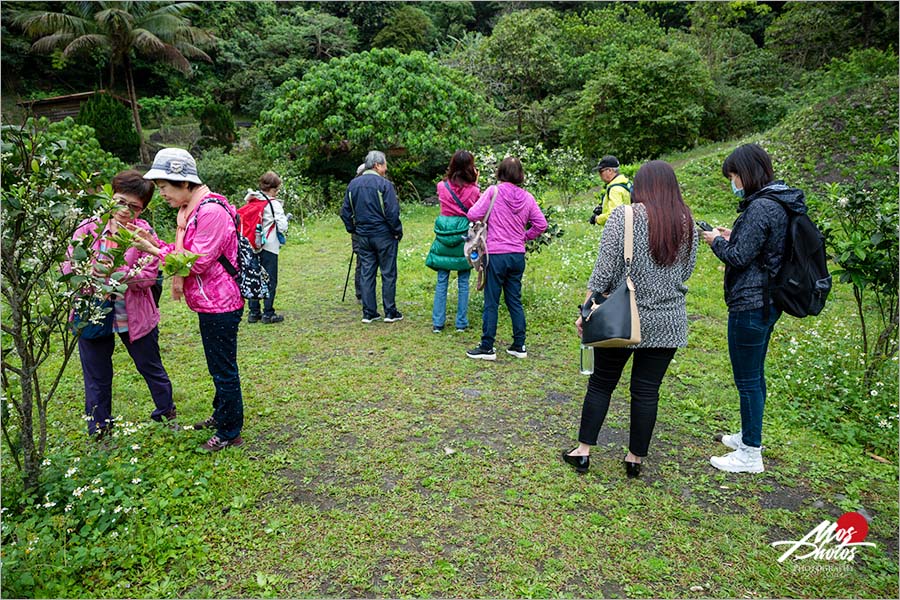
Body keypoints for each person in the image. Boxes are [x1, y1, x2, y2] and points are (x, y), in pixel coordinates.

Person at [563, 160, 697, 477]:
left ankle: (582, 452)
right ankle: (634, 460)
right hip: (668, 320)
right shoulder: (687, 221)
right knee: (647, 390)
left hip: (622, 316)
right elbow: (686, 270)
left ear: (642, 186)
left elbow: (604, 271)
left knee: (601, 384)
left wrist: (586, 310)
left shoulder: (624, 217)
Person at [130, 148, 245, 452]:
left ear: (183, 182)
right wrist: (157, 244)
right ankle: (222, 415)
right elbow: (188, 251)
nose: (162, 194)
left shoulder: (209, 212)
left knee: (222, 368)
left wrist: (154, 250)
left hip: (221, 303)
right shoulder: (191, 211)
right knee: (218, 365)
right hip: (211, 301)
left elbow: (195, 262)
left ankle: (230, 430)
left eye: (165, 187)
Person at [700, 143, 799, 474]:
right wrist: (733, 235)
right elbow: (760, 247)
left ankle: (750, 453)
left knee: (747, 379)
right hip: (768, 301)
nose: (734, 181)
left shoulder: (760, 208)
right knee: (755, 375)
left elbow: (738, 257)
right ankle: (749, 435)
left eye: (734, 175)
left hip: (751, 303)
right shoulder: (777, 202)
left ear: (747, 172)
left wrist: (716, 241)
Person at [64, 170, 176, 439]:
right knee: (96, 377)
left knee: (151, 367)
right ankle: (100, 429)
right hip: (92, 311)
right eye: (120, 202)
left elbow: (150, 274)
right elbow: (69, 266)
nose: (125, 210)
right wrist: (95, 274)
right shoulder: (88, 227)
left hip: (134, 314)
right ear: (110, 197)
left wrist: (114, 274)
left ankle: (165, 412)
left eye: (134, 206)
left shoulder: (144, 232)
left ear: (143, 208)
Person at [465, 156, 547, 361]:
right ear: (520, 175)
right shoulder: (527, 197)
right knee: (514, 300)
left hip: (497, 254)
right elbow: (541, 224)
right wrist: (524, 237)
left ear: (500, 172)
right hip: (517, 255)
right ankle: (519, 345)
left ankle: (487, 347)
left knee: (491, 301)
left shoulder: (494, 191)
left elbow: (472, 213)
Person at [340, 151, 403, 323]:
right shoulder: (384, 184)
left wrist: (353, 229)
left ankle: (369, 312)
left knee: (367, 272)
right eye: (384, 165)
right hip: (384, 234)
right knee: (388, 272)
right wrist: (397, 230)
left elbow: (345, 212)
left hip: (363, 235)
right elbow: (392, 212)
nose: (386, 168)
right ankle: (390, 312)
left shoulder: (353, 185)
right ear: (377, 165)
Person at [426, 150, 480, 333]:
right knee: (463, 280)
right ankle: (461, 323)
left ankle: (438, 323)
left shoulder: (442, 186)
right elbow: (476, 209)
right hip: (463, 235)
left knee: (442, 279)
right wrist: (476, 181)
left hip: (444, 233)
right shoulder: (474, 190)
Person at [244, 171, 289, 324]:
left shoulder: (252, 200)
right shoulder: (274, 204)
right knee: (269, 279)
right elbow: (282, 226)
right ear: (274, 188)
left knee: (254, 277)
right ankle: (268, 313)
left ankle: (253, 312)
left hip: (251, 245)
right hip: (269, 246)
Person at [590, 155, 631, 228]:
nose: (599, 175)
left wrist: (597, 219)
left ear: (610, 171)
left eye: (601, 171)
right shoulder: (625, 183)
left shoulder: (615, 189)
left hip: (618, 231)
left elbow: (614, 216)